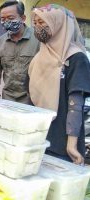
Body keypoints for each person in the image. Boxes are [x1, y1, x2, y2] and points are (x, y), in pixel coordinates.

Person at [29, 4, 90, 165]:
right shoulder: (39, 58)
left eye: (42, 22)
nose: (37, 27)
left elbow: (76, 104)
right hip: (38, 139)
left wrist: (71, 145)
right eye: (35, 23)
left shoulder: (76, 58)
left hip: (63, 144)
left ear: (59, 24)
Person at [0, 0, 39, 104]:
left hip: (32, 101)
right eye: (3, 19)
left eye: (10, 18)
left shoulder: (38, 40)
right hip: (8, 101)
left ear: (23, 18)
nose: (6, 22)